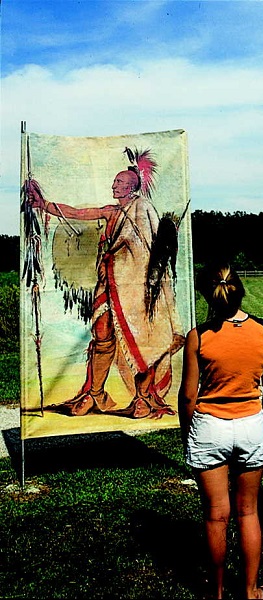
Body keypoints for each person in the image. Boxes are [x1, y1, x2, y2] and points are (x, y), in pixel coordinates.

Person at [29, 148, 184, 419]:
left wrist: (140, 276)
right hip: (110, 285)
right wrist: (44, 205)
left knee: (142, 339)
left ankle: (143, 398)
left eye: (120, 182)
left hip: (137, 288)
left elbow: (148, 248)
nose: (114, 185)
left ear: (132, 187)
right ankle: (95, 394)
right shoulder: (111, 212)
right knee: (102, 336)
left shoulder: (143, 209)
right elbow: (77, 213)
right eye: (114, 181)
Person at [178, 264, 263, 600]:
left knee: (215, 516)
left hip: (210, 427)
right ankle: (250, 592)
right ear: (239, 291)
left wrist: (187, 433)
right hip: (250, 424)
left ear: (208, 295)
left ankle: (216, 593)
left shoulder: (200, 336)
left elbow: (189, 395)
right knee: (248, 511)